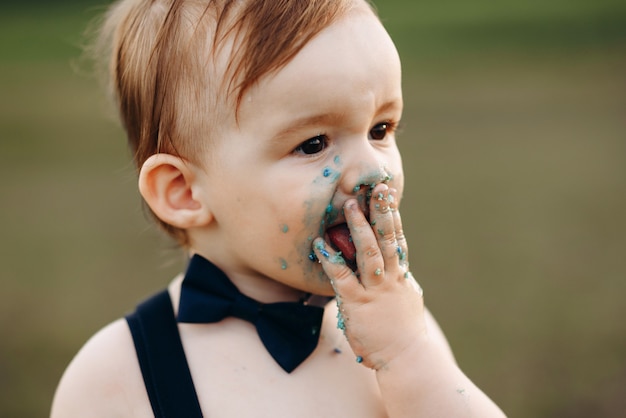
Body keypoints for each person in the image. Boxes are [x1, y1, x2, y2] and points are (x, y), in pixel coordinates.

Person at [51, 0, 506, 416]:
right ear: (184, 192)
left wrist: (408, 357)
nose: (372, 171)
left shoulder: (401, 332)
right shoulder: (119, 375)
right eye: (313, 144)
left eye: (380, 128)